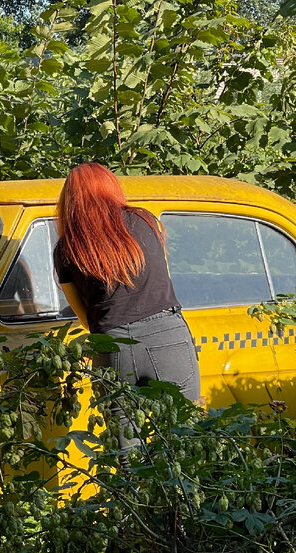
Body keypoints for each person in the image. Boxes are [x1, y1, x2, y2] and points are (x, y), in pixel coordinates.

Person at [54, 163, 202, 419]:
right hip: (167, 334)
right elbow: (161, 274)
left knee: (125, 448)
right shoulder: (145, 221)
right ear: (112, 188)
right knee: (185, 433)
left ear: (70, 199)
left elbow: (85, 317)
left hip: (112, 343)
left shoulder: (67, 247)